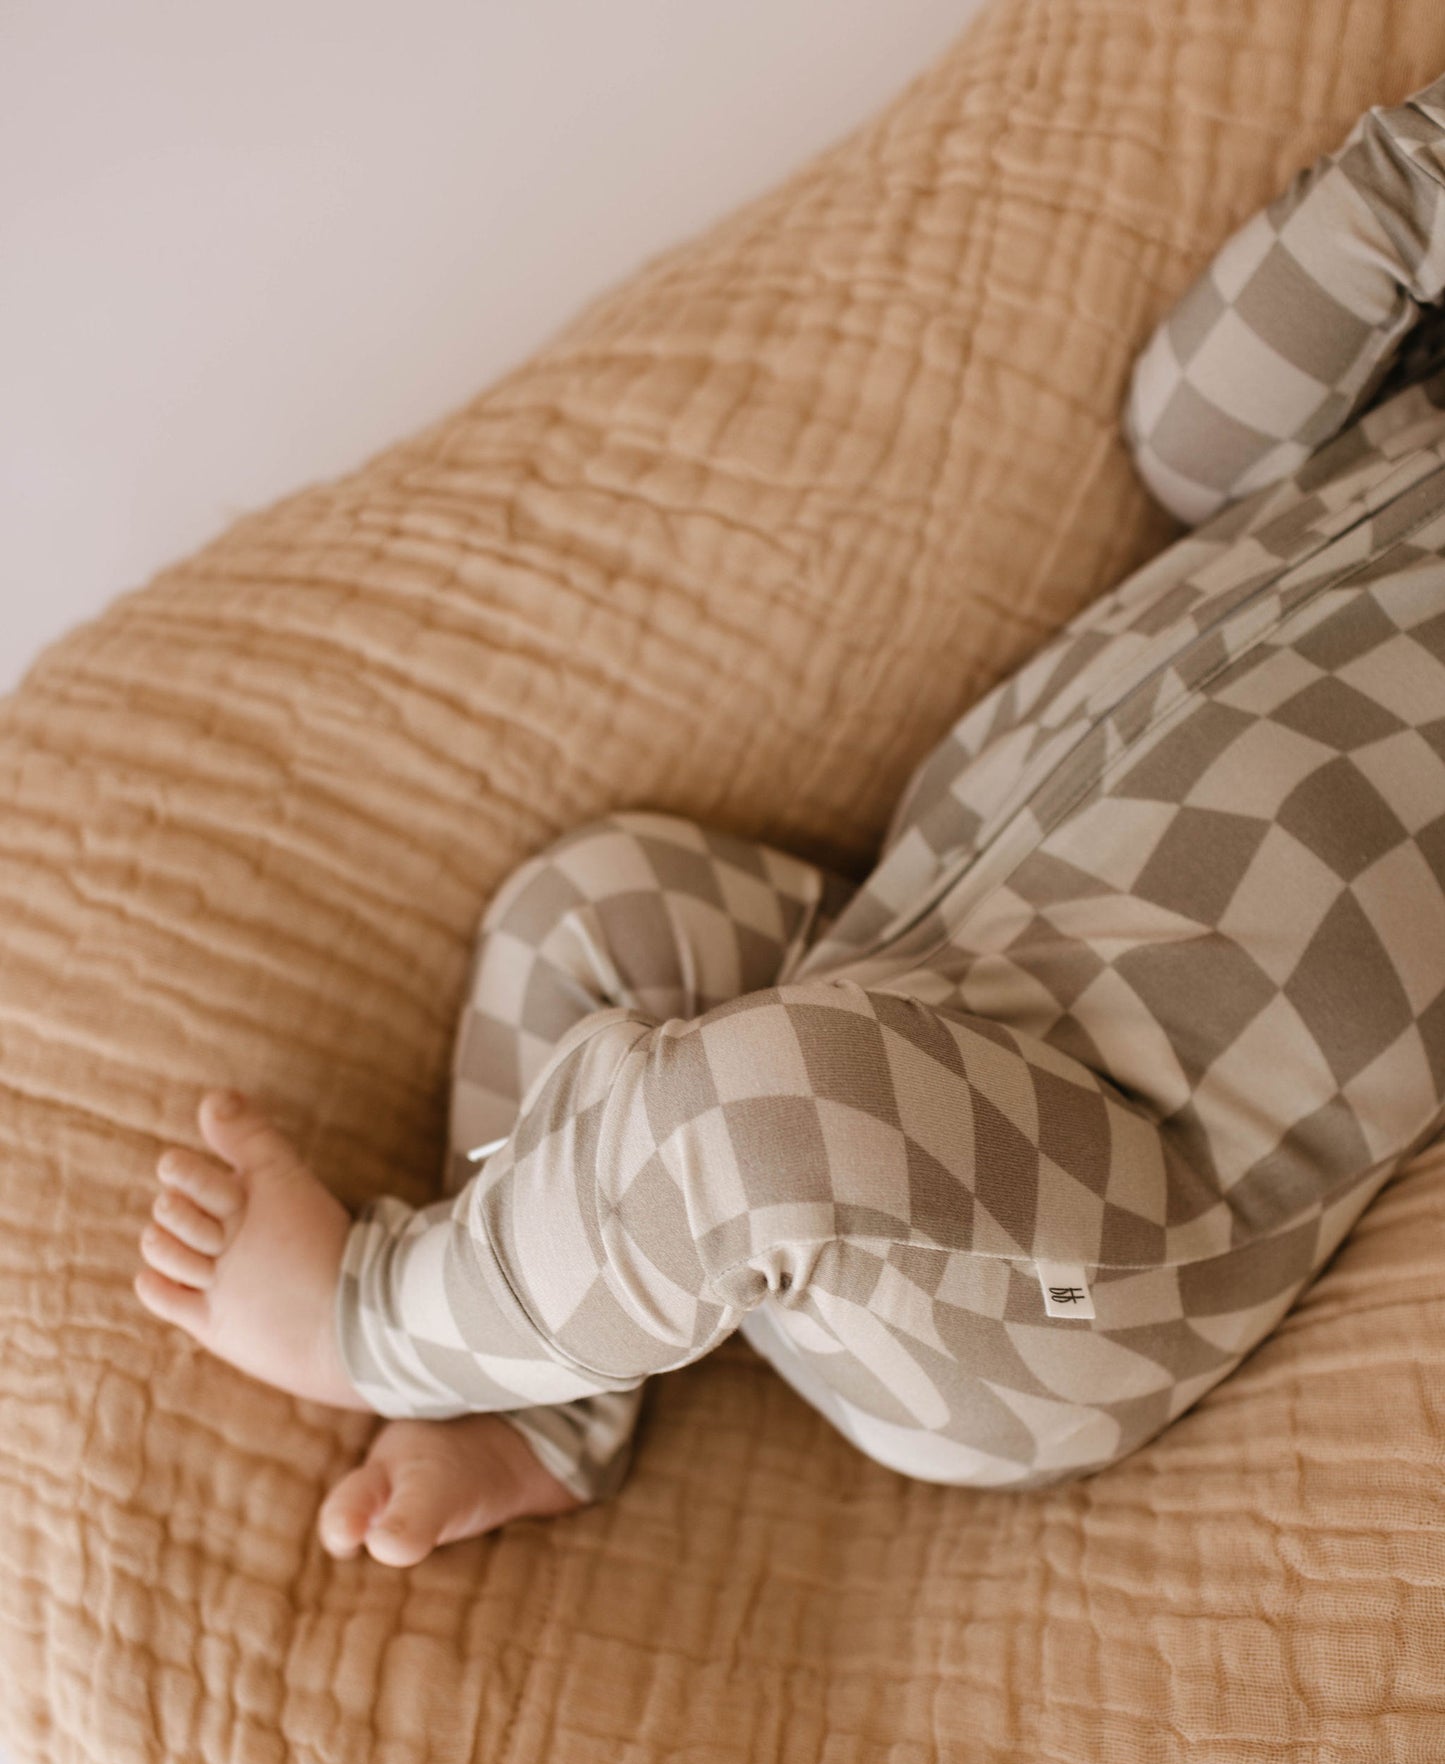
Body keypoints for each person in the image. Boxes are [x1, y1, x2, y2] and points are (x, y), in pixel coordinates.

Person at [135, 72, 1445, 1567]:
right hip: (926, 970)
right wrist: (1409, 177)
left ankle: (381, 1324)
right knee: (588, 911)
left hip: (1102, 1244)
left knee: (770, 1115)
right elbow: (1186, 442)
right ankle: (548, 1407)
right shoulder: (1409, 419)